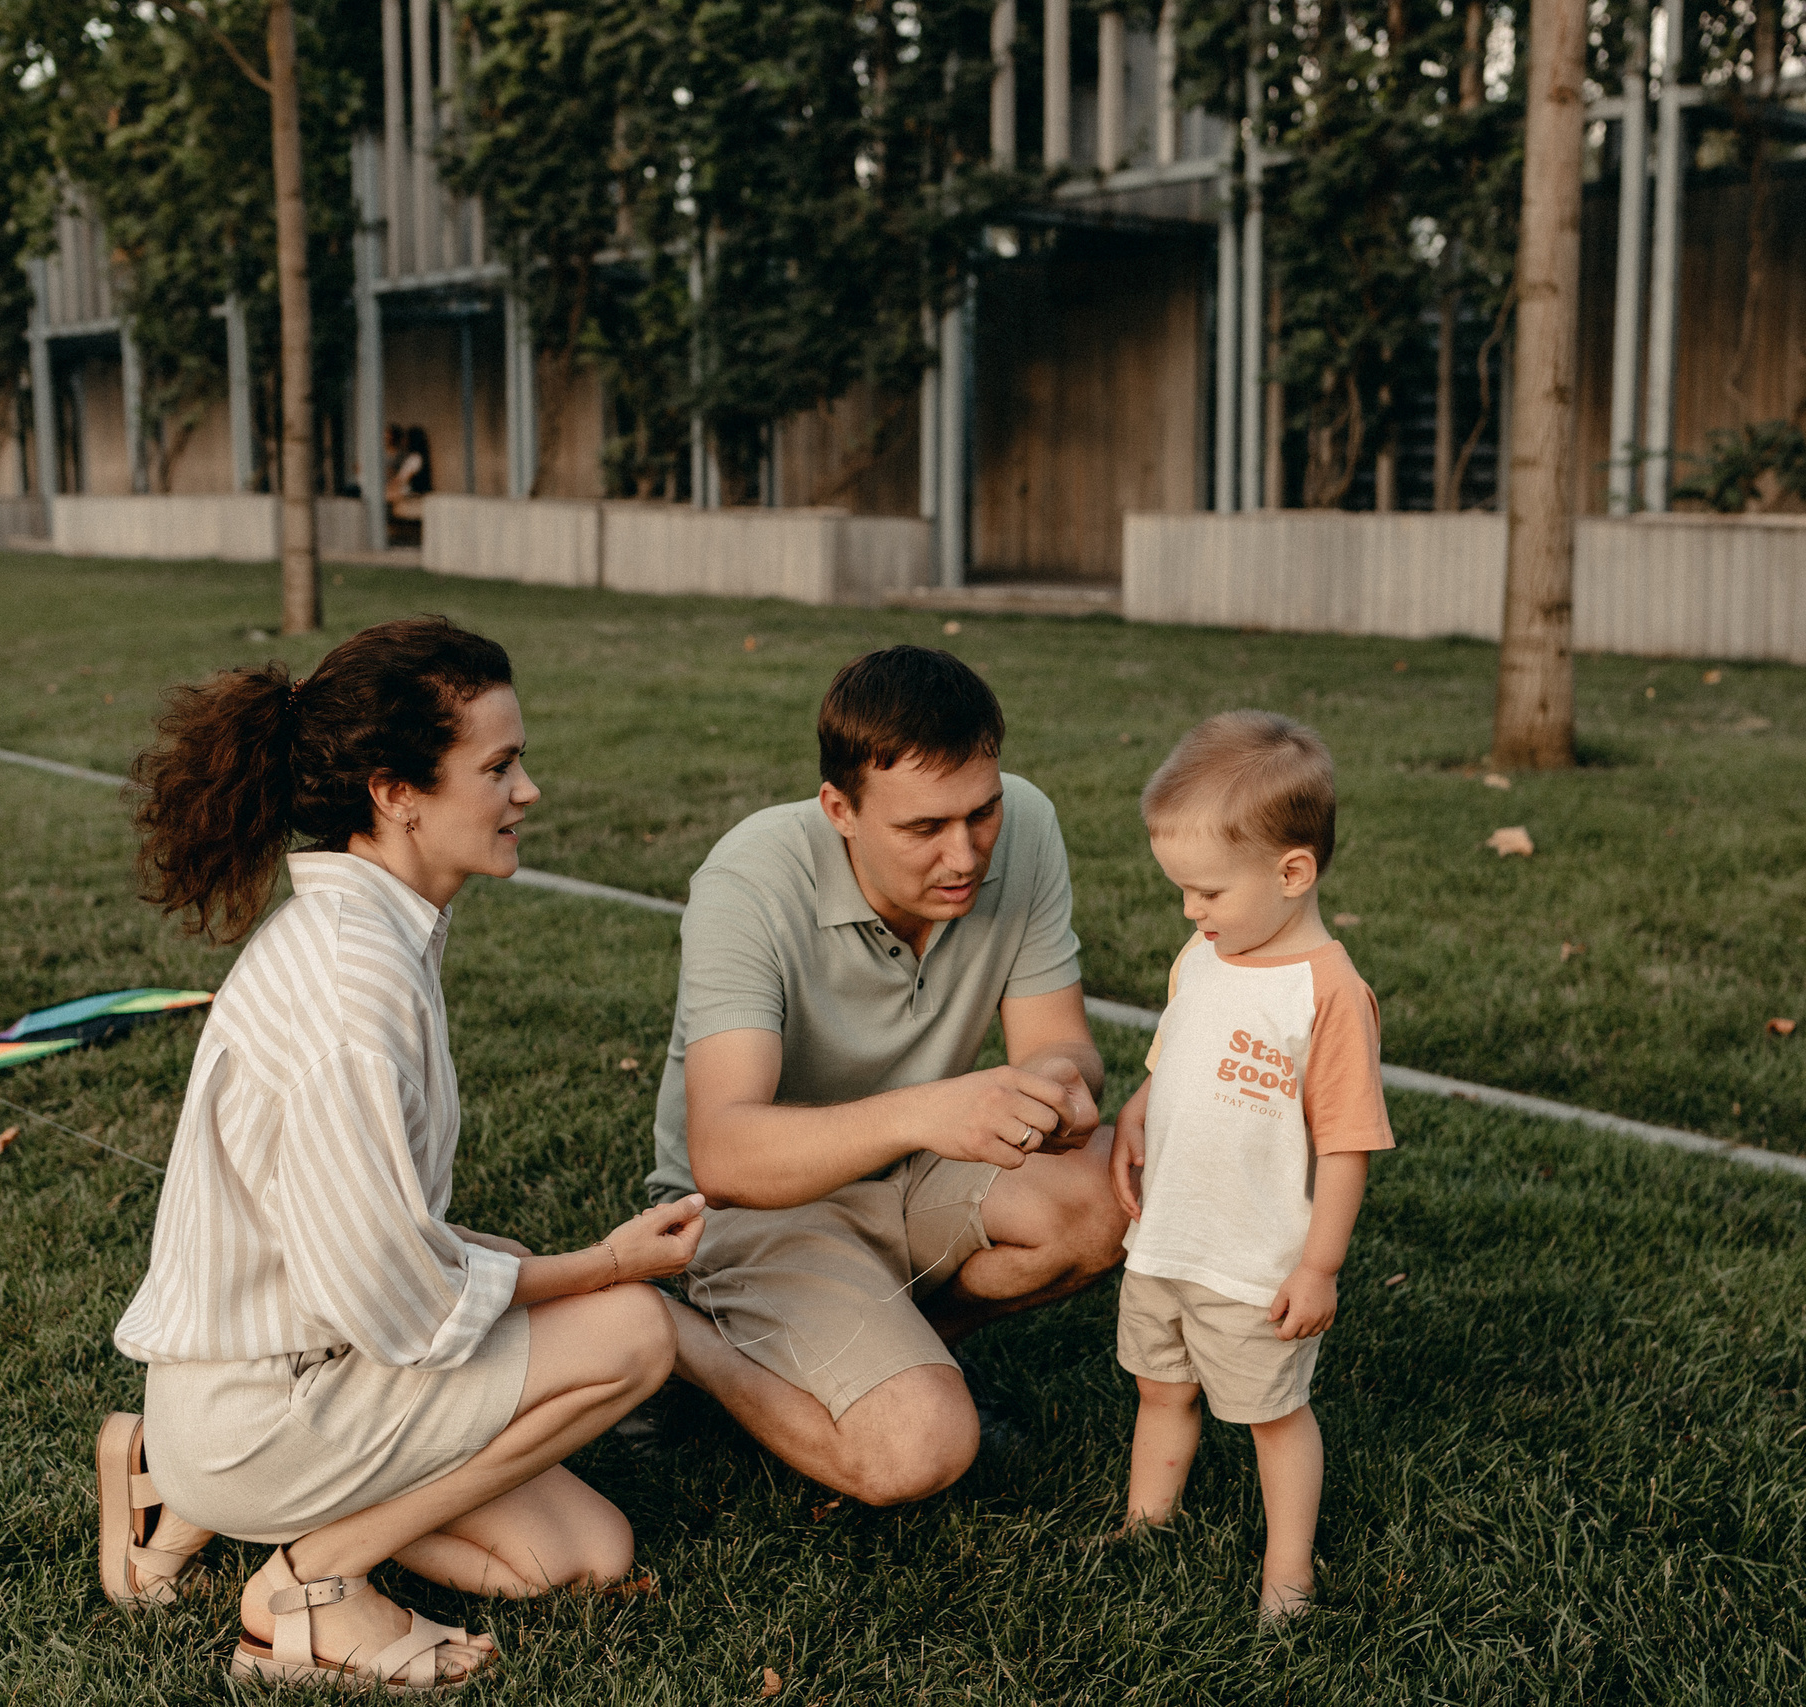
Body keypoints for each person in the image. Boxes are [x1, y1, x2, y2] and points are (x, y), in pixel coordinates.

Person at [100, 615, 705, 1691]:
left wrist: (515, 1269)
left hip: (285, 1374)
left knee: (578, 1555)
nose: (528, 791)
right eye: (499, 767)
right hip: (268, 1407)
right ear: (396, 793)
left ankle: (168, 1485)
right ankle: (306, 1584)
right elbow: (398, 1302)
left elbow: (383, 1250)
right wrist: (609, 1265)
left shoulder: (374, 929)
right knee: (633, 1331)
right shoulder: (352, 987)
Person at [650, 645, 1129, 1506]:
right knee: (920, 1446)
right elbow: (722, 1153)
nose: (966, 854)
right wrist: (923, 1111)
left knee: (1115, 1196)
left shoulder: (1025, 823)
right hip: (758, 1210)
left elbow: (1062, 1042)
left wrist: (1054, 1086)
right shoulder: (749, 879)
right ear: (840, 808)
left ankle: (897, 1349)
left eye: (981, 812)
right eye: (923, 828)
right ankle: (676, 1337)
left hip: (920, 1173)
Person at [1105, 711, 1394, 1619]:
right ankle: (1145, 1525)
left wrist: (1319, 1266)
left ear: (1292, 873)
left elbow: (1347, 1143)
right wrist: (1138, 1107)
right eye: (1183, 891)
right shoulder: (1205, 953)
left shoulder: (1327, 993)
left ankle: (1288, 1575)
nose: (1191, 911)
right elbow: (1176, 1052)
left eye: (1207, 891)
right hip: (1166, 1242)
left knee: (1274, 1415)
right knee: (1160, 1387)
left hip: (1253, 1265)